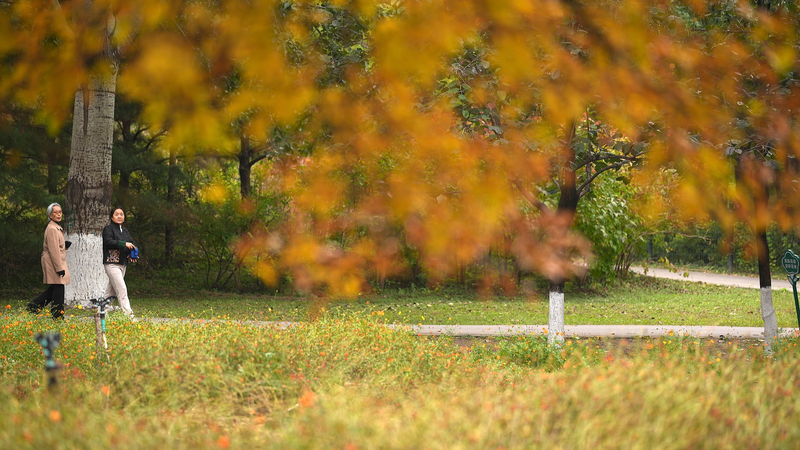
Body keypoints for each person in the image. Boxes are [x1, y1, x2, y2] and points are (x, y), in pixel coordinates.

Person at [27, 203, 70, 319]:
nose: (59, 214)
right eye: (55, 212)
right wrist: (59, 268)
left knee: (54, 289)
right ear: (50, 215)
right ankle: (57, 315)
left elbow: (55, 246)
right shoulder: (52, 228)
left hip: (54, 261)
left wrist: (64, 245)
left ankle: (33, 307)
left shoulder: (55, 227)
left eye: (60, 212)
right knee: (58, 288)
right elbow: (53, 250)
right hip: (53, 262)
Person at [102, 207, 138, 318]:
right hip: (111, 262)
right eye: (116, 214)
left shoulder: (125, 230)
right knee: (122, 289)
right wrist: (124, 244)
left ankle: (101, 312)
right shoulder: (108, 229)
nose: (119, 216)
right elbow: (109, 242)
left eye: (121, 214)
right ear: (112, 216)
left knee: (111, 291)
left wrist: (132, 253)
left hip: (123, 263)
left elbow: (132, 243)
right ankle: (129, 316)